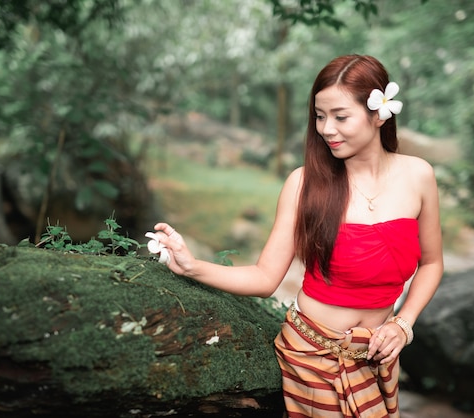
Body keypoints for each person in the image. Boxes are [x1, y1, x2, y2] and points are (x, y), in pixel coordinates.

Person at [149, 54, 443, 417]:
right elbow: (264, 277)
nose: (326, 129)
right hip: (311, 356)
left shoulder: (418, 176)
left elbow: (431, 263)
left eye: (340, 117)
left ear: (378, 114)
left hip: (377, 359)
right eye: (320, 117)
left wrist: (403, 324)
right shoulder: (304, 184)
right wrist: (192, 266)